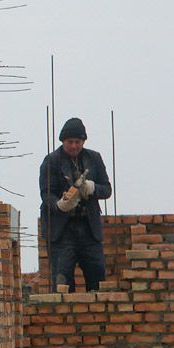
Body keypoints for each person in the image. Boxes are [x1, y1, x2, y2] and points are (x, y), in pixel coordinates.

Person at [39, 117, 112, 292]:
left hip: (89, 230)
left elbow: (107, 189)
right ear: (63, 141)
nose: (74, 146)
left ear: (83, 141)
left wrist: (92, 188)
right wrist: (59, 204)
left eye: (78, 142)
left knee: (97, 281)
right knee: (62, 284)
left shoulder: (93, 158)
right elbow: (46, 193)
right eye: (70, 142)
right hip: (63, 231)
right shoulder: (52, 161)